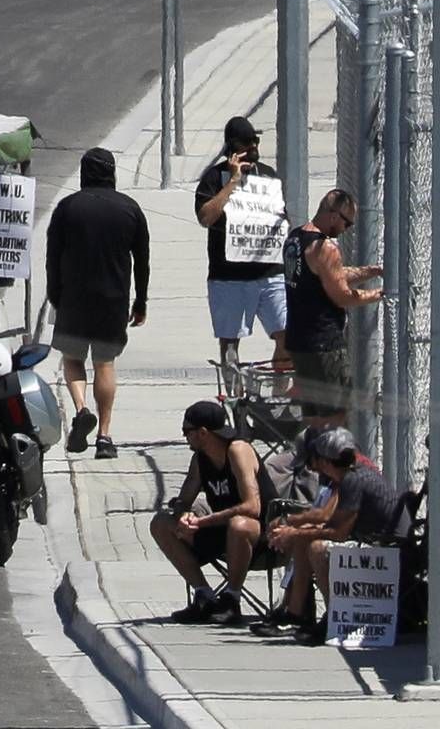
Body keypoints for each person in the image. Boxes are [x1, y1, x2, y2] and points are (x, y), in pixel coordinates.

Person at [253, 427, 411, 643]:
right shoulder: (348, 475)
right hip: (381, 543)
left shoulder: (352, 479)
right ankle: (296, 615)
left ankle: (333, 616)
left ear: (325, 461)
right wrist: (294, 527)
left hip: (390, 551)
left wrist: (294, 531)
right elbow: (331, 518)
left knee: (317, 548)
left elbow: (338, 533)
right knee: (305, 539)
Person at [46, 146, 150, 460]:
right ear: (113, 173)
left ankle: (80, 409)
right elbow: (142, 261)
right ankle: (105, 436)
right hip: (113, 299)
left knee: (72, 359)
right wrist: (141, 300)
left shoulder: (67, 208)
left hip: (74, 298)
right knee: (105, 363)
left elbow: (52, 258)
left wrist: (55, 295)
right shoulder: (130, 209)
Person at [149, 400, 278, 626]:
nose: (185, 437)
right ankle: (204, 595)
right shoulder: (200, 458)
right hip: (220, 532)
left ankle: (231, 599)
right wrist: (183, 515)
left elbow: (252, 507)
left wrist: (204, 521)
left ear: (203, 433)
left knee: (240, 524)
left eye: (186, 432)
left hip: (261, 537)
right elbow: (184, 499)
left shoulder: (238, 450)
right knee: (161, 523)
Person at [194, 116, 288, 371]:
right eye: (246, 144)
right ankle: (234, 399)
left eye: (255, 141)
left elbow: (281, 217)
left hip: (269, 272)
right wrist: (234, 181)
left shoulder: (268, 176)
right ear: (232, 148)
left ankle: (279, 397)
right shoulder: (214, 178)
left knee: (286, 334)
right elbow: (205, 217)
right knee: (230, 344)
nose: (253, 148)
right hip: (229, 276)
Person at [282, 189, 382, 427]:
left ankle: (313, 459)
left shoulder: (295, 238)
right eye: (347, 223)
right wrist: (379, 295)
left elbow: (326, 276)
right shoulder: (325, 248)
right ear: (334, 215)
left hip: (298, 341)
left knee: (313, 415)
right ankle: (329, 460)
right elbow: (343, 296)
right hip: (324, 344)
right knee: (337, 417)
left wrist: (371, 271)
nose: (347, 228)